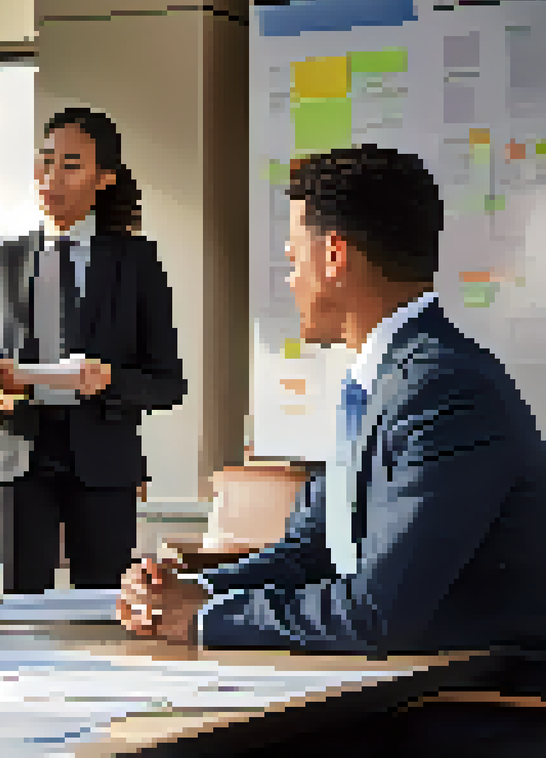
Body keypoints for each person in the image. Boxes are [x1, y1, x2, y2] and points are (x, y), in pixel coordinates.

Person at [119, 145, 546, 658]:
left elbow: (377, 614)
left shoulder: (443, 387)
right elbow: (312, 551)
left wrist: (205, 619)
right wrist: (196, 589)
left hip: (462, 708)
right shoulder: (385, 380)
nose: (290, 280)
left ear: (334, 256)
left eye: (293, 260)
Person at [0, 108, 186, 595]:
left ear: (104, 178)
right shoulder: (0, 260)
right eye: (46, 161)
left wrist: (111, 380)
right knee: (20, 608)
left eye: (70, 165)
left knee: (102, 606)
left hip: (104, 460)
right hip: (20, 455)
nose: (52, 177)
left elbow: (168, 383)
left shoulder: (137, 263)